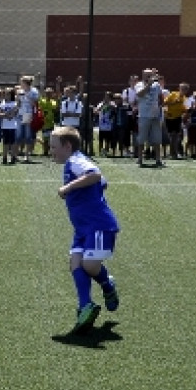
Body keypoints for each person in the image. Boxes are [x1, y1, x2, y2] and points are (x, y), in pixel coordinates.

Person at [49, 126, 120, 334]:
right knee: (75, 264)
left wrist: (68, 188)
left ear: (67, 146)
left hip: (98, 225)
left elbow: (96, 175)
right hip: (83, 228)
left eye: (54, 147)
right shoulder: (76, 160)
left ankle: (107, 286)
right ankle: (85, 306)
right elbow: (103, 183)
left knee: (89, 265)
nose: (50, 150)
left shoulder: (76, 161)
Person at [135, 69, 164, 167]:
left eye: (149, 75)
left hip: (155, 116)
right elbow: (139, 94)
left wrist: (159, 108)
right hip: (144, 116)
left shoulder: (157, 85)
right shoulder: (139, 85)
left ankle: (158, 159)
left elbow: (160, 97)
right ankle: (140, 159)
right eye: (146, 75)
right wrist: (149, 85)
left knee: (157, 139)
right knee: (142, 138)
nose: (148, 77)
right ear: (142, 76)